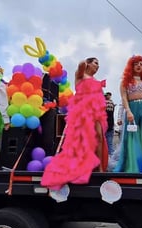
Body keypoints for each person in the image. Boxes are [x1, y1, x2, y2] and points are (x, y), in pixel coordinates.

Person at [41, 57, 108, 190]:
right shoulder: (80, 75)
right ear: (88, 64)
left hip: (95, 112)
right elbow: (80, 64)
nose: (98, 66)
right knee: (82, 140)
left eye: (98, 64)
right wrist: (85, 62)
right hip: (82, 112)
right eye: (96, 63)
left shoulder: (96, 81)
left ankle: (100, 168)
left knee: (99, 137)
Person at [104, 92, 115, 156]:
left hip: (105, 125)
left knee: (104, 143)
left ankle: (106, 156)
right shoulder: (112, 103)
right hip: (111, 125)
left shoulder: (103, 103)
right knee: (110, 143)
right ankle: (111, 156)